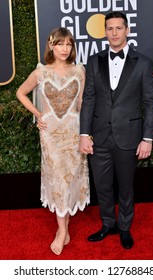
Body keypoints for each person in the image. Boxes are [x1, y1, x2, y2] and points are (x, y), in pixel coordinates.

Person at [79, 12, 153, 249]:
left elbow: (150, 102)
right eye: (109, 28)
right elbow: (89, 98)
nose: (114, 33)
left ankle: (124, 227)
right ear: (105, 32)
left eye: (118, 28)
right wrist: (84, 134)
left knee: (125, 185)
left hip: (130, 136)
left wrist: (147, 138)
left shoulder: (143, 62)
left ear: (127, 30)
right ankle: (108, 224)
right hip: (99, 137)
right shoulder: (93, 61)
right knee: (102, 186)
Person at [16, 27, 90, 255]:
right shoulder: (41, 72)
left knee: (69, 180)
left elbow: (81, 104)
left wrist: (86, 132)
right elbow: (20, 93)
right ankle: (61, 230)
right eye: (60, 44)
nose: (64, 49)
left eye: (68, 44)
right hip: (50, 135)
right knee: (57, 180)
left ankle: (64, 225)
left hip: (73, 132)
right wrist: (38, 114)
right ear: (51, 46)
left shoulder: (79, 70)